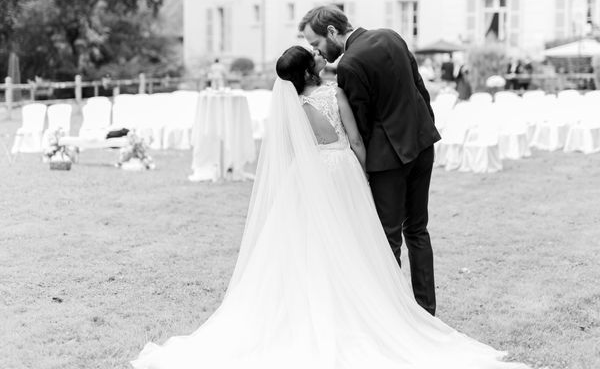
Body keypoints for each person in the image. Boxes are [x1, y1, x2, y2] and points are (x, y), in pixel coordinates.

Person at [131, 46, 529, 369]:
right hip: (341, 170)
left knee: (310, 245)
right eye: (316, 57)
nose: (322, 57)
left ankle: (309, 310)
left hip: (307, 176)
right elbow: (355, 141)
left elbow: (292, 150)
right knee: (354, 240)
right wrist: (367, 174)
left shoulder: (293, 106)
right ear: (308, 72)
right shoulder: (334, 94)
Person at [299, 5, 440, 315]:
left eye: (316, 43)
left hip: (388, 159)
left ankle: (393, 314)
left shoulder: (349, 65)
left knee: (387, 238)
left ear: (332, 32)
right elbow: (420, 90)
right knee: (418, 230)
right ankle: (426, 310)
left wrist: (360, 164)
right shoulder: (392, 37)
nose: (316, 50)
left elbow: (360, 123)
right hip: (422, 144)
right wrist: (425, 129)